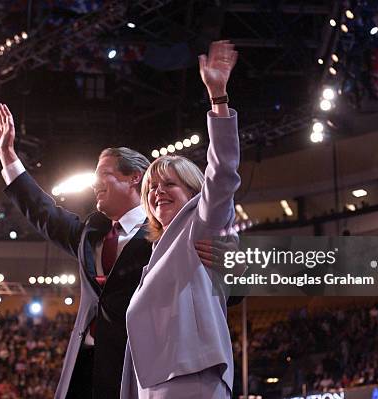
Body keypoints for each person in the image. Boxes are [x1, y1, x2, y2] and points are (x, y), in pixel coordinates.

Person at [0, 104, 240, 397]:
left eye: (103, 173)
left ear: (134, 177)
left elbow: (224, 291)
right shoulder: (90, 234)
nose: (95, 183)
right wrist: (8, 157)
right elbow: (42, 211)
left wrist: (235, 269)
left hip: (138, 369)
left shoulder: (170, 235)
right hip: (83, 368)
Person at [121, 40, 239, 398]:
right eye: (151, 188)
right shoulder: (156, 251)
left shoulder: (198, 224)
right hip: (157, 386)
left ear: (191, 190)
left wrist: (218, 100)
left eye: (168, 184)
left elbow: (222, 177)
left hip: (191, 378)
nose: (157, 192)